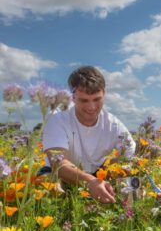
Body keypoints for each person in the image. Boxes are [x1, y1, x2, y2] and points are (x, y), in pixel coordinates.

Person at [42, 66, 136, 204]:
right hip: (59, 174)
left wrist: (108, 171)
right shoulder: (57, 119)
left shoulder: (113, 124)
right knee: (48, 191)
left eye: (97, 99)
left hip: (96, 175)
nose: (91, 107)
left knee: (133, 180)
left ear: (104, 93)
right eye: (84, 100)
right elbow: (58, 164)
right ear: (72, 97)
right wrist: (90, 181)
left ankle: (130, 215)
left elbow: (129, 150)